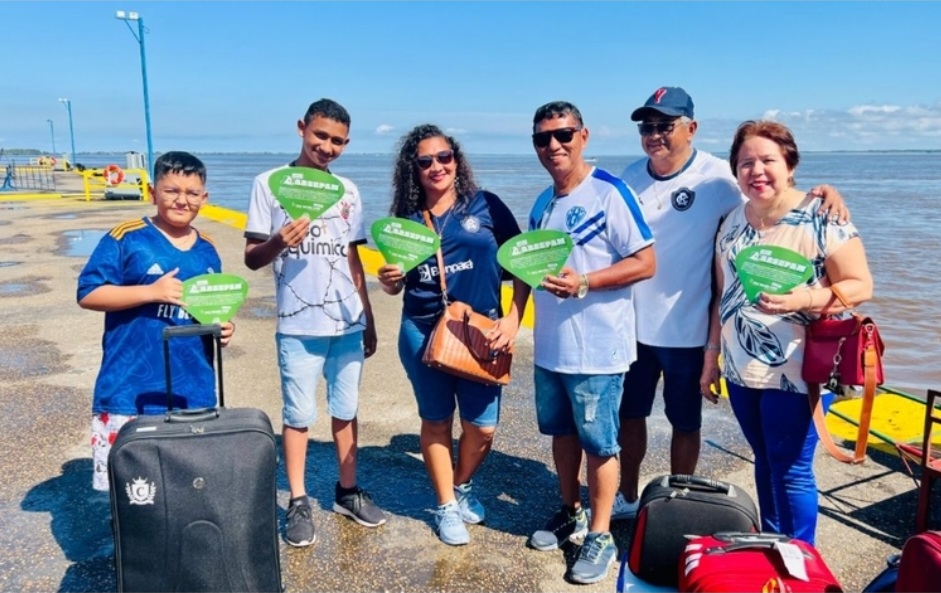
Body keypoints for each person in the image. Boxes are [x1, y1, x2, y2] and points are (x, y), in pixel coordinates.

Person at [615, 87, 849, 520]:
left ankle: (676, 505)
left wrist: (824, 194)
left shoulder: (719, 179)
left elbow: (771, 202)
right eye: (647, 126)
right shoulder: (628, 176)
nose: (654, 134)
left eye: (665, 125)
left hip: (688, 329)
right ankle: (626, 495)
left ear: (691, 128)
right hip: (630, 328)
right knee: (629, 416)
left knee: (686, 422)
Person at [702, 120, 873, 544]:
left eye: (768, 160)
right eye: (746, 163)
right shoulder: (732, 222)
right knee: (764, 459)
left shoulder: (822, 216)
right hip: (741, 367)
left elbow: (860, 286)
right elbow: (722, 294)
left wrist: (806, 299)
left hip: (799, 370)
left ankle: (800, 562)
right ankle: (773, 546)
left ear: (790, 165)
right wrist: (711, 357)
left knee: (792, 468)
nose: (756, 171)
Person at [376, 124, 530, 546]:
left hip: (482, 332)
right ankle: (445, 505)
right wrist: (388, 281)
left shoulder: (486, 205)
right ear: (413, 169)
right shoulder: (405, 220)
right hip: (422, 330)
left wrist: (513, 319)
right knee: (436, 420)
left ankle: (461, 484)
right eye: (425, 161)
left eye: (444, 157)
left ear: (456, 161)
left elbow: (521, 264)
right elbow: (396, 284)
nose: (436, 167)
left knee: (482, 428)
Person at [244, 98, 385, 548]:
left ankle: (347, 490)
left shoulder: (348, 191)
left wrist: (368, 317)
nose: (327, 147)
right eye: (320, 135)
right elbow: (251, 258)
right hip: (298, 324)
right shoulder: (269, 184)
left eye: (337, 141)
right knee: (298, 415)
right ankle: (299, 499)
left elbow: (353, 259)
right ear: (302, 128)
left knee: (346, 409)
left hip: (346, 322)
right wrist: (278, 242)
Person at [526, 101, 655, 585]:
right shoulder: (543, 203)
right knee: (561, 435)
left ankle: (600, 534)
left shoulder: (609, 192)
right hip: (550, 345)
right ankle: (571, 512)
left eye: (563, 135)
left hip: (598, 349)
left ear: (583, 136)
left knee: (600, 443)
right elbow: (528, 270)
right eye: (543, 138)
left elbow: (645, 262)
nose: (553, 145)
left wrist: (585, 282)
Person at [77, 151, 235, 492]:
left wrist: (221, 327)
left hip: (192, 392)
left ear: (204, 197)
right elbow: (88, 293)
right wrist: (151, 292)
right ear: (152, 192)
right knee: (134, 491)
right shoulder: (126, 237)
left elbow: (210, 309)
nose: (182, 200)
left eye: (192, 193)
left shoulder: (208, 249)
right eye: (171, 191)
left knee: (187, 487)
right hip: (130, 389)